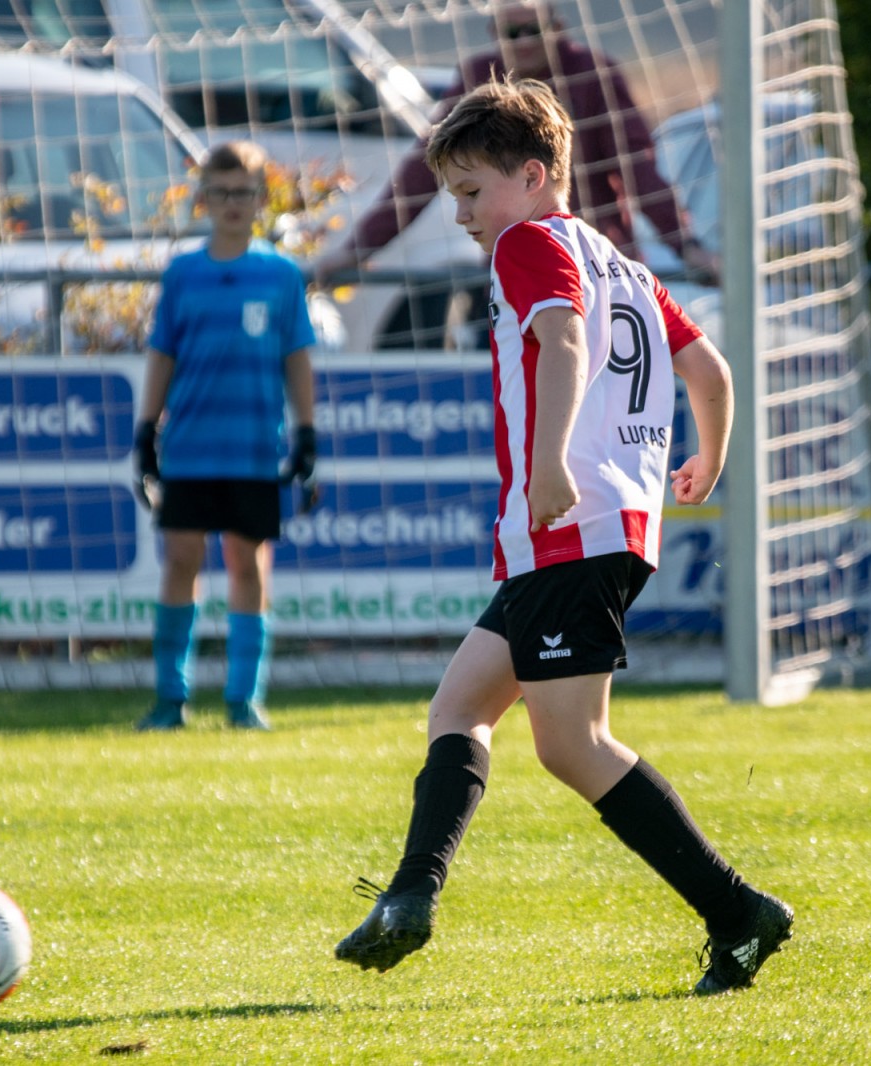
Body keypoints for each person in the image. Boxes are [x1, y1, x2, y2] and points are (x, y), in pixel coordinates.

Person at [332, 78, 791, 995]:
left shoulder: (528, 243)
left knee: (572, 743)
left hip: (569, 524)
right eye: (453, 195)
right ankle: (409, 896)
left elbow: (566, 342)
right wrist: (708, 459)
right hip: (606, 524)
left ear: (535, 175)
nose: (461, 214)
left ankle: (738, 910)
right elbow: (710, 369)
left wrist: (549, 466)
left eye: (472, 191)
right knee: (459, 707)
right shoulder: (624, 265)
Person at [317, 0, 719, 347]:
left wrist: (685, 245)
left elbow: (638, 169)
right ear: (495, 34)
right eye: (512, 32)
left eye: (534, 30)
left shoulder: (593, 75)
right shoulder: (479, 79)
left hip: (594, 276)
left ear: (557, 28)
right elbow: (421, 173)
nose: (524, 41)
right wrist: (359, 248)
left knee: (584, 377)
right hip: (513, 280)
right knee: (517, 392)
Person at [132, 141, 319, 733]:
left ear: (261, 198)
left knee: (248, 564)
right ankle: (170, 699)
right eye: (221, 192)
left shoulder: (281, 274)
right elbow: (162, 354)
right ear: (204, 199)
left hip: (254, 447)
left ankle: (244, 700)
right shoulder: (183, 274)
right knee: (181, 560)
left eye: (243, 192)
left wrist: (306, 433)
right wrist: (146, 430)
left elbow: (297, 358)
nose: (233, 203)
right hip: (190, 445)